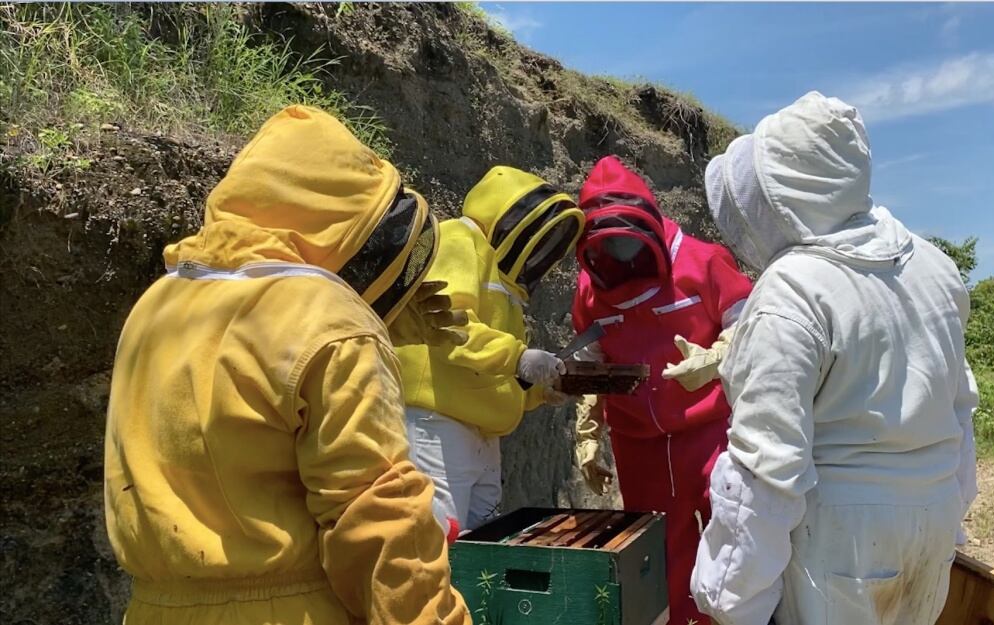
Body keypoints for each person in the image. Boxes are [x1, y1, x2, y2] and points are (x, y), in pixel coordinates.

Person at [104, 105, 470, 625]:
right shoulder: (330, 323)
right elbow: (374, 516)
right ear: (344, 223)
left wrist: (378, 326)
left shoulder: (157, 304)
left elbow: (239, 405)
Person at [691, 91, 978, 625]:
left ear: (782, 192)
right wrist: (948, 522)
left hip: (839, 540)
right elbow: (960, 413)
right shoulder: (936, 267)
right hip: (933, 517)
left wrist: (732, 600)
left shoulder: (792, 289)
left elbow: (765, 471)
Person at [570, 155, 754, 625]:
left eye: (626, 249)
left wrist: (715, 360)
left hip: (712, 431)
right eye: (605, 252)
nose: (618, 262)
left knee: (734, 533)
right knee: (659, 551)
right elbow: (591, 364)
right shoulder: (590, 292)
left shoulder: (704, 260)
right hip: (637, 443)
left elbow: (753, 325)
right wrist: (587, 434)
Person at [389, 166, 585, 536]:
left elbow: (488, 375)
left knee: (482, 551)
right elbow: (447, 323)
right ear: (512, 217)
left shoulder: (504, 284)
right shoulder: (459, 237)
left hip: (481, 437)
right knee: (437, 548)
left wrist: (538, 391)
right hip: (437, 426)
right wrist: (520, 358)